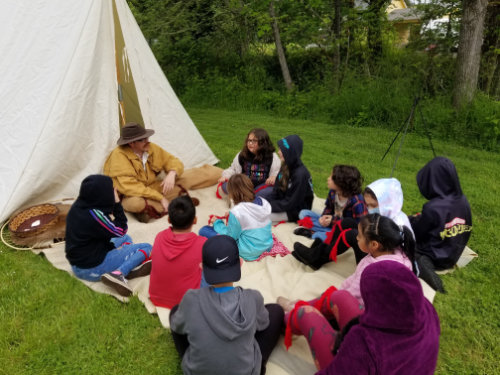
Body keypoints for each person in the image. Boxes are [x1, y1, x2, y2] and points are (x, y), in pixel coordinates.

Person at [280, 261, 440, 374]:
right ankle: (292, 308)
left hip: (361, 364)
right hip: (392, 360)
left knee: (306, 314)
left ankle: (282, 319)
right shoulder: (425, 308)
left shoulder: (367, 343)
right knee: (341, 296)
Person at [169, 235, 284, 375]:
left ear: (202, 268)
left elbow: (177, 326)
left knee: (176, 313)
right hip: (247, 371)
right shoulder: (253, 298)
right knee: (276, 311)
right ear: (241, 263)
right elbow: (263, 324)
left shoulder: (190, 300)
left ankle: (193, 360)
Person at [65, 174, 152, 297]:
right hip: (91, 268)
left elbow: (112, 231)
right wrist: (116, 203)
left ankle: (125, 265)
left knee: (126, 239)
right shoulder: (96, 216)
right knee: (146, 247)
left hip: (78, 264)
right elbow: (121, 229)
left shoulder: (78, 206)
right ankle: (118, 273)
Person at [103, 122, 193, 223]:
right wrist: (160, 198)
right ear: (131, 143)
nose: (147, 141)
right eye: (143, 139)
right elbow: (130, 187)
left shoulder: (150, 147)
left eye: (147, 137)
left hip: (151, 187)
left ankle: (149, 209)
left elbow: (173, 160)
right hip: (129, 194)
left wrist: (172, 173)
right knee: (136, 203)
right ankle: (168, 205)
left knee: (177, 184)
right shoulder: (118, 156)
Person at [411, 156, 472, 293]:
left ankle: (423, 265)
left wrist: (412, 221)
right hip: (454, 251)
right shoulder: (462, 200)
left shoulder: (432, 207)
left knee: (405, 243)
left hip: (435, 256)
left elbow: (419, 233)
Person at [148, 196, 207, 309]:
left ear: (169, 220)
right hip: (187, 302)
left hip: (156, 298)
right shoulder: (202, 243)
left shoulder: (159, 236)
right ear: (195, 220)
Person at [199, 174, 273, 261]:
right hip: (267, 245)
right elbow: (251, 218)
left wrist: (217, 222)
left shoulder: (237, 212)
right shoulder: (264, 202)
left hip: (248, 251)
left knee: (204, 230)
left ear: (232, 193)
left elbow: (230, 237)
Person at [294, 165, 367, 240]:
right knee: (303, 213)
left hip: (343, 229)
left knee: (319, 236)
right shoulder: (333, 192)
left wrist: (333, 221)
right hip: (331, 223)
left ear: (341, 183)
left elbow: (356, 225)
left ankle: (313, 233)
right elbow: (328, 208)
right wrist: (324, 217)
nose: (328, 178)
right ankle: (316, 230)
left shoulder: (357, 202)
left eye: (331, 177)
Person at [218, 128, 281, 197]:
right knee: (225, 186)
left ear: (263, 143)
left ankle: (246, 197)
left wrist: (273, 177)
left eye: (254, 141)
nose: (250, 143)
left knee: (270, 190)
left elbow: (277, 172)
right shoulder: (242, 154)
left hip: (261, 187)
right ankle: (249, 197)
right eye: (249, 140)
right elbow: (233, 169)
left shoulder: (272, 156)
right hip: (244, 186)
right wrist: (226, 176)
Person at [265, 135, 314, 222]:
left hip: (295, 211)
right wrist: (265, 201)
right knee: (257, 206)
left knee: (260, 217)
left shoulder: (301, 175)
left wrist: (269, 206)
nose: (279, 152)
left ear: (291, 153)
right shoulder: (285, 165)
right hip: (283, 203)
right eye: (279, 149)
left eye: (282, 150)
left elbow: (291, 203)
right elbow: (276, 190)